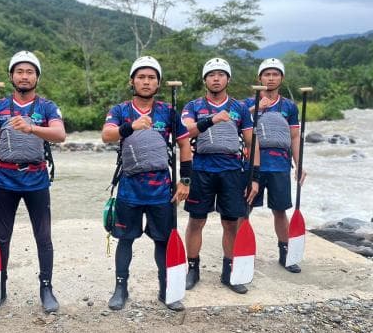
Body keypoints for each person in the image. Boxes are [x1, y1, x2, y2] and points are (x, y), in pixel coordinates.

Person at [0, 51, 66, 314]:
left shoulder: (47, 107)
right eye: (19, 72)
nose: (24, 76)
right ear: (11, 76)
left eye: (29, 72)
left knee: (43, 237)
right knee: (2, 237)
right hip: (4, 180)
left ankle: (46, 288)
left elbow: (60, 134)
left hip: (37, 179)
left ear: (37, 77)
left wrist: (32, 128)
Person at [101, 56, 192, 311]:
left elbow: (184, 144)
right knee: (125, 239)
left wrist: (184, 181)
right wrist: (131, 126)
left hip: (161, 189)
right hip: (130, 187)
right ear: (132, 81)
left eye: (151, 77)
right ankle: (121, 288)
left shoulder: (168, 111)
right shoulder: (121, 111)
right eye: (141, 77)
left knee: (162, 240)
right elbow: (107, 135)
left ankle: (166, 289)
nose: (146, 81)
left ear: (158, 83)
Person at [181, 57, 259, 294]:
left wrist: (254, 176)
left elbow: (251, 143)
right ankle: (192, 269)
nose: (216, 78)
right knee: (197, 221)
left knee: (230, 222)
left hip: (232, 171)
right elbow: (185, 132)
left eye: (221, 74)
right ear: (205, 79)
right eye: (211, 75)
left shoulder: (240, 108)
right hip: (202, 169)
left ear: (228, 79)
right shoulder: (193, 105)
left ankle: (230, 272)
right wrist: (211, 119)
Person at [245, 58, 306, 273]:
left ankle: (285, 252)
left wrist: (299, 165)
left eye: (275, 74)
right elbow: (238, 128)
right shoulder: (247, 103)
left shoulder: (289, 106)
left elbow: (295, 136)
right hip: (254, 166)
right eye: (267, 74)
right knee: (246, 209)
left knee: (280, 211)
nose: (271, 78)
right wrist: (256, 108)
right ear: (259, 78)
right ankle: (244, 252)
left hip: (280, 166)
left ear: (281, 78)